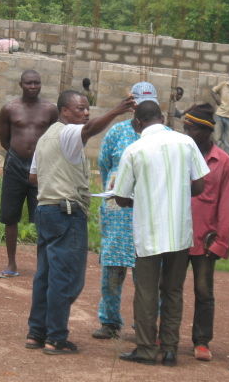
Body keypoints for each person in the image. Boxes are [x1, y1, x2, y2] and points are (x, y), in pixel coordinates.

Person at [25, 90, 136, 355]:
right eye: (80, 109)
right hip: (66, 214)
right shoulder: (67, 132)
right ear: (64, 111)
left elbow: (33, 177)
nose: (85, 114)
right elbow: (89, 129)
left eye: (87, 109)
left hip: (46, 210)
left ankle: (36, 333)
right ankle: (56, 337)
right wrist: (117, 110)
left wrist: (57, 179)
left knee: (46, 276)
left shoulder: (45, 138)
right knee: (68, 278)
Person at [113, 101, 210, 366]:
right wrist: (175, 194)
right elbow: (200, 185)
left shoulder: (134, 150)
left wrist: (139, 198)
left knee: (146, 291)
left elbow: (121, 198)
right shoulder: (185, 143)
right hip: (179, 231)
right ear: (162, 118)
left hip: (149, 232)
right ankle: (169, 350)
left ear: (137, 122)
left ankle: (145, 348)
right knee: (173, 290)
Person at [91, 82, 160, 340]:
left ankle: (145, 322)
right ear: (131, 106)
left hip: (149, 212)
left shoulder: (161, 136)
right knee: (112, 267)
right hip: (117, 212)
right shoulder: (117, 132)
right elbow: (105, 165)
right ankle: (109, 321)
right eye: (136, 104)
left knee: (149, 271)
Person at [182, 103, 229, 362]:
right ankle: (166, 334)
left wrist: (220, 242)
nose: (186, 133)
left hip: (205, 240)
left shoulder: (223, 162)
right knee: (169, 288)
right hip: (176, 235)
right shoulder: (179, 154)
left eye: (190, 129)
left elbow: (226, 206)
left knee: (204, 291)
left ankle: (202, 341)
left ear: (205, 131)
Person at [0, 70, 58, 278]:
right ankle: (11, 263)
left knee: (42, 215)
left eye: (37, 83)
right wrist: (18, 155)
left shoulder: (50, 110)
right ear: (20, 84)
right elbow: (4, 140)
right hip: (15, 165)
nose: (33, 87)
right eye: (29, 83)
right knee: (10, 216)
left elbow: (54, 136)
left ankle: (43, 265)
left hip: (41, 168)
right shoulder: (10, 109)